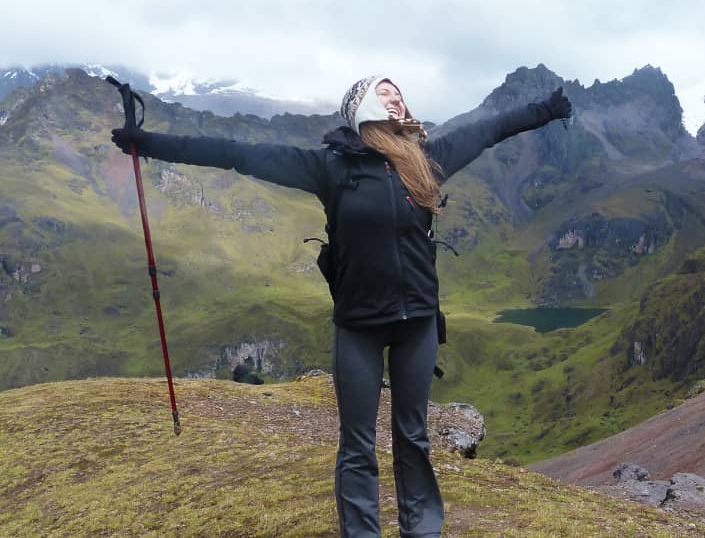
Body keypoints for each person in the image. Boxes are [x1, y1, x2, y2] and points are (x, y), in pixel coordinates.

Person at [112, 76, 572, 537]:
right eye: (386, 93)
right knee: (358, 444)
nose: (398, 100)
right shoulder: (331, 167)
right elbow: (235, 155)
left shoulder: (427, 162)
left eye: (400, 94)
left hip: (418, 325)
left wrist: (547, 109)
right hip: (359, 327)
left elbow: (492, 130)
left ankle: (423, 530)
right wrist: (147, 143)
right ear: (363, 106)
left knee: (412, 438)